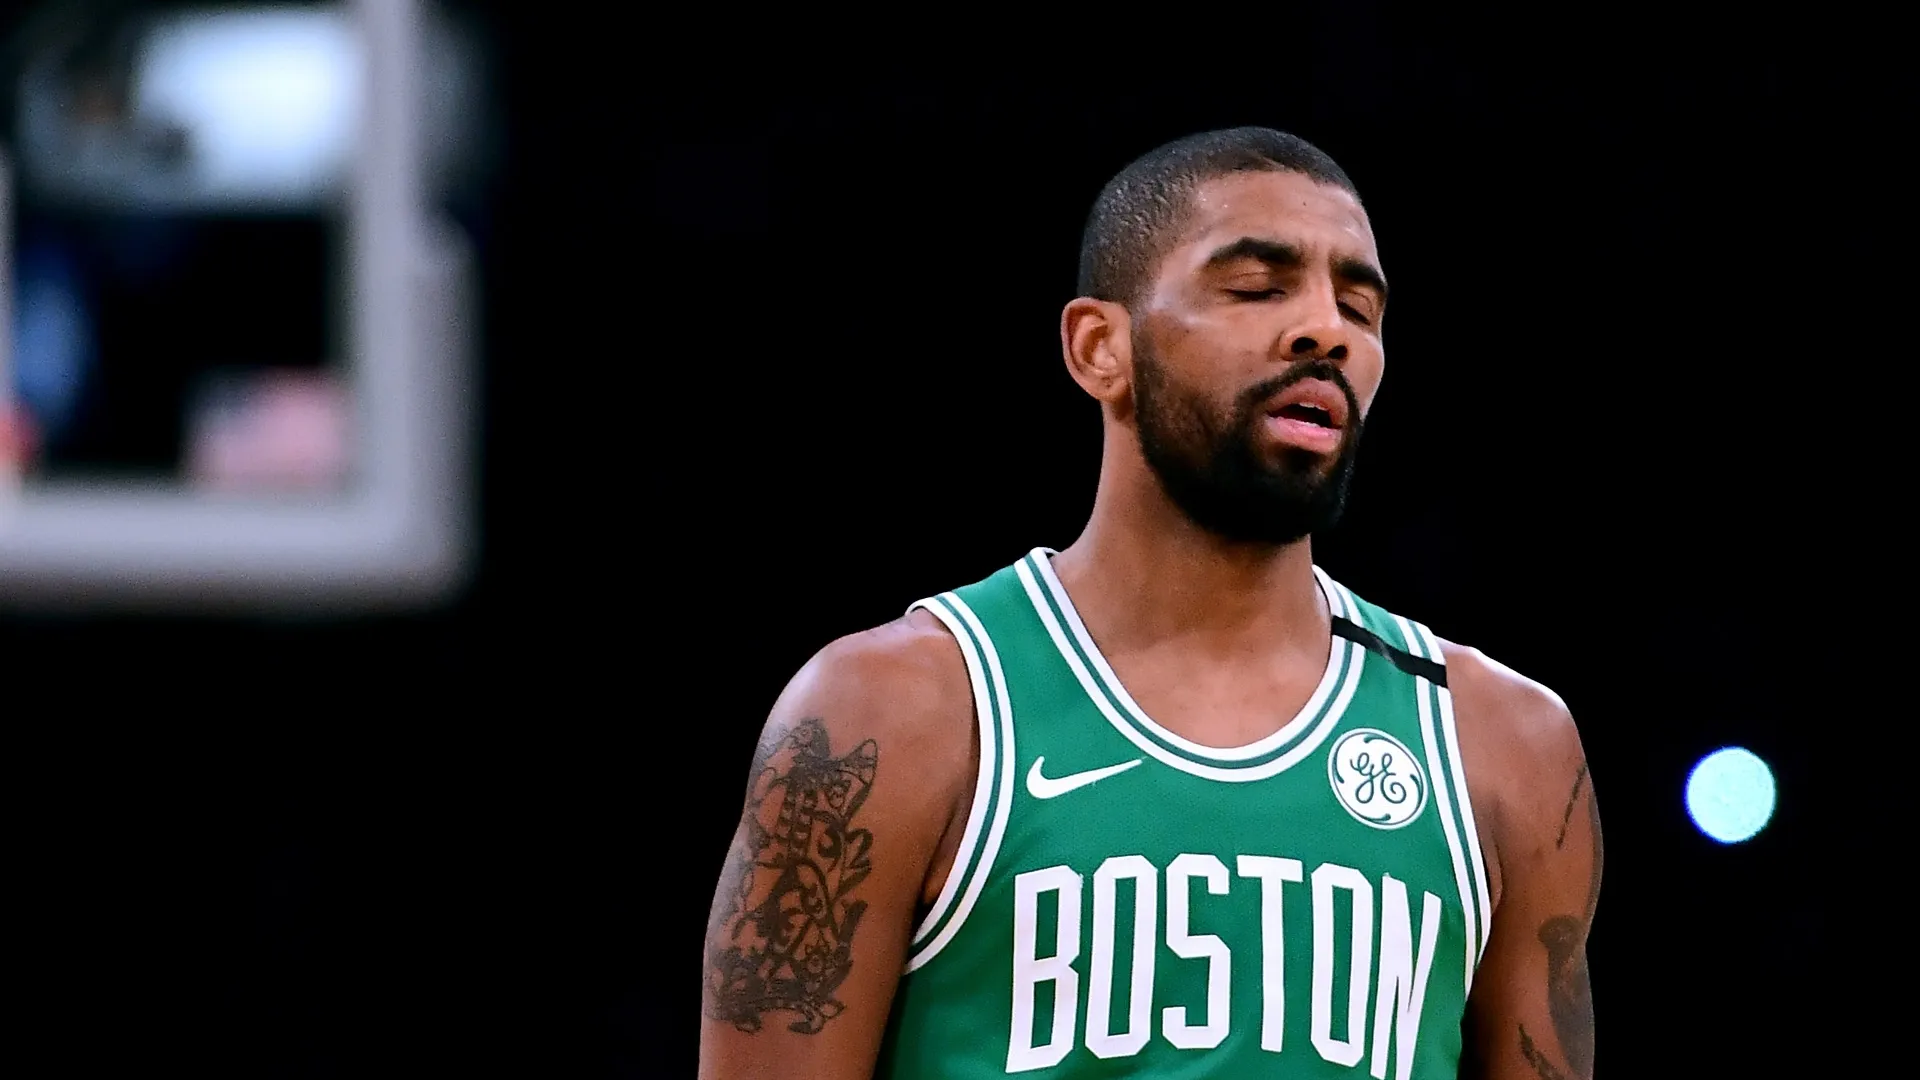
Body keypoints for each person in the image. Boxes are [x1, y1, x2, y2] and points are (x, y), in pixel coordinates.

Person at [698, 127, 1601, 1080]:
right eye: (1257, 287)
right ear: (1100, 349)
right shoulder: (893, 711)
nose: (1325, 329)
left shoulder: (1504, 742)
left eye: (1359, 306)